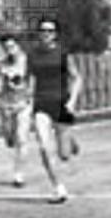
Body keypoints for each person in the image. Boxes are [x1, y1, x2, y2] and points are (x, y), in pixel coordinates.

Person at [25, 14, 81, 201]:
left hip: (62, 104)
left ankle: (69, 141)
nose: (46, 34)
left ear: (55, 34)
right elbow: (29, 79)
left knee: (64, 155)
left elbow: (76, 78)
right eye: (43, 30)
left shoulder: (63, 53)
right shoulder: (32, 55)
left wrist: (72, 101)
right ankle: (58, 188)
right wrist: (27, 98)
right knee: (44, 146)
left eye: (50, 31)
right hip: (41, 105)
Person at [0, 34, 39, 189]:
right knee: (10, 140)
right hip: (6, 105)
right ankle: (10, 138)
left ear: (18, 46)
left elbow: (36, 80)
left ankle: (19, 174)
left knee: (22, 139)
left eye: (12, 46)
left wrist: (31, 96)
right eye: (6, 48)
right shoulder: (1, 65)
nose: (9, 50)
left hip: (23, 105)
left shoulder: (28, 63)